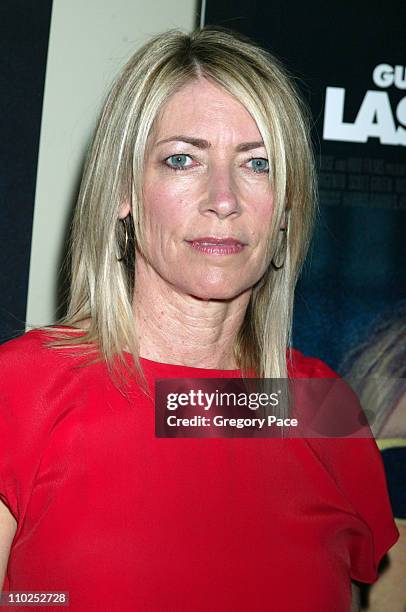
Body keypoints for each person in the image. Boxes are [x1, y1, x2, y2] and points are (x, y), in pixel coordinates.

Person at [0, 26, 399, 611]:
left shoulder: (321, 406)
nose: (224, 197)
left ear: (286, 207)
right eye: (182, 159)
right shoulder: (22, 388)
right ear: (124, 192)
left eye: (257, 163)